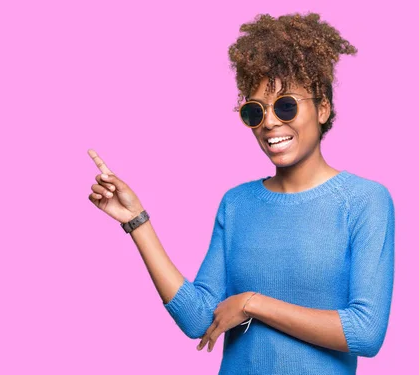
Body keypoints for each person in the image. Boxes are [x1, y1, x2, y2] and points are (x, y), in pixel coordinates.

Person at [87, 12, 395, 375]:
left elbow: (365, 332)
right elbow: (200, 319)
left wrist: (252, 304)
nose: (269, 122)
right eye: (255, 111)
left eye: (285, 105)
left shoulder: (364, 201)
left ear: (323, 109)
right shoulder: (237, 203)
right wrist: (137, 222)